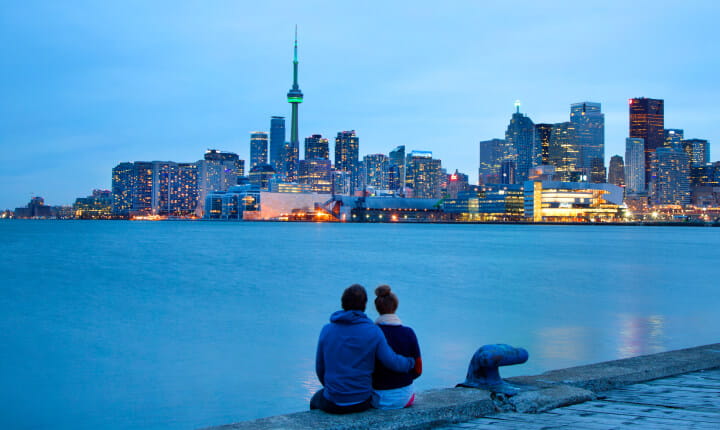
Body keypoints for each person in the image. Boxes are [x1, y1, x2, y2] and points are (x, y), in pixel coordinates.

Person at [311, 284, 416, 414]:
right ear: (364, 305)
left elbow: (320, 368)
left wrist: (332, 389)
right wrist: (410, 362)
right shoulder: (373, 331)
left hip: (333, 400)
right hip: (362, 401)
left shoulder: (326, 330)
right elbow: (391, 361)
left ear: (343, 303)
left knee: (315, 400)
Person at [371, 285, 422, 409]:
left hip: (377, 398)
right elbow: (418, 369)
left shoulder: (372, 333)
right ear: (395, 307)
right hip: (405, 397)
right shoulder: (409, 332)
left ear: (377, 308)